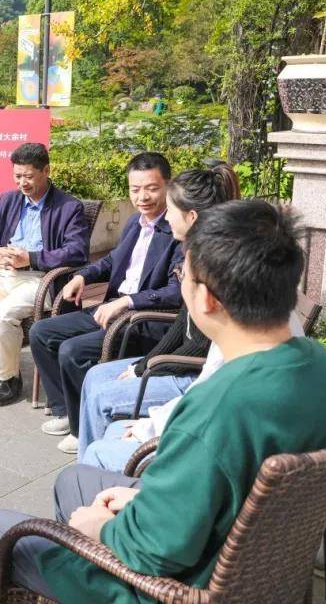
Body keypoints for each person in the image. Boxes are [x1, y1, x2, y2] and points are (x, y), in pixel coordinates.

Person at [0, 200, 326, 603]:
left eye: (184, 275)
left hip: (166, 586)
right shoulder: (321, 366)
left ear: (207, 299)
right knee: (73, 480)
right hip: (247, 554)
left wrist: (103, 529)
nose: (181, 282)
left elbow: (156, 551)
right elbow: (217, 489)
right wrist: (146, 501)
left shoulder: (215, 410)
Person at [75, 163, 240, 462]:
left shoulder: (214, 266)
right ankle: (89, 459)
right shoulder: (195, 252)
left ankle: (95, 464)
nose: (166, 215)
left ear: (191, 217)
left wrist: (148, 369)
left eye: (171, 209)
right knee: (96, 376)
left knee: (102, 398)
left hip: (190, 374)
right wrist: (143, 365)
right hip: (182, 366)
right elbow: (183, 324)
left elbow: (202, 348)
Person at [30, 152, 182, 454]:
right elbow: (113, 260)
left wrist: (128, 302)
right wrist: (82, 276)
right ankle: (66, 409)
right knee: (41, 332)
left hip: (144, 318)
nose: (142, 197)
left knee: (72, 350)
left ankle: (82, 428)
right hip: (113, 308)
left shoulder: (177, 229)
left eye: (151, 188)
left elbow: (176, 291)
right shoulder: (135, 223)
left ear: (168, 186)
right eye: (135, 189)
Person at [0, 143, 90, 406]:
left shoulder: (69, 207)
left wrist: (31, 258)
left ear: (46, 171)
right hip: (4, 274)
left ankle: (9, 378)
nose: (22, 182)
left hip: (41, 279)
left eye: (28, 176)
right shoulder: (9, 200)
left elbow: (77, 251)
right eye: (17, 176)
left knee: (3, 314)